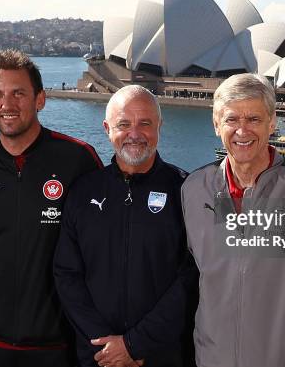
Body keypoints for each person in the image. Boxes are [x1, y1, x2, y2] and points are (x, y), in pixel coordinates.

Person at [0, 49, 102, 367]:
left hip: (58, 340)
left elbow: (100, 250)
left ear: (40, 99)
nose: (7, 104)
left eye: (18, 93)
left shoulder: (77, 159)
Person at [181, 73, 285, 367]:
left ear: (272, 122)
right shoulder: (193, 189)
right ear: (216, 125)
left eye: (253, 119)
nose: (242, 130)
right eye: (231, 120)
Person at [54, 85, 196, 367]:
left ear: (159, 126)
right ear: (107, 128)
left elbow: (191, 279)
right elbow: (67, 274)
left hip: (160, 356)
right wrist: (107, 344)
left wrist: (135, 345)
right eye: (124, 124)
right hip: (99, 356)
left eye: (145, 123)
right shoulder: (84, 191)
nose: (134, 134)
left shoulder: (186, 190)